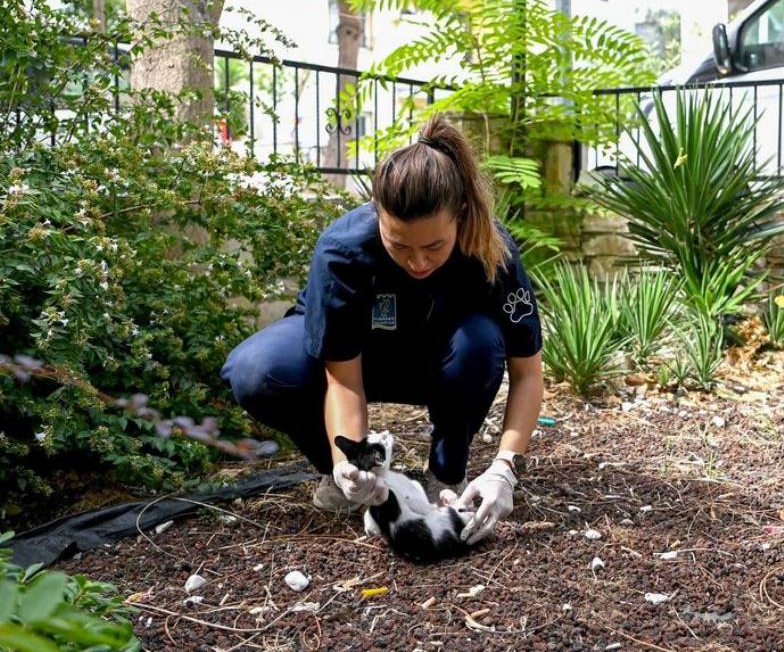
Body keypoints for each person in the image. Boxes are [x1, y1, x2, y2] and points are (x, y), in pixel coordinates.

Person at [221, 115, 544, 544]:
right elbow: (343, 380)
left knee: (481, 342)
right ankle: (348, 478)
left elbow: (528, 373)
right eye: (399, 245)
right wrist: (345, 461)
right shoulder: (343, 251)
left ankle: (445, 473)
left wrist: (505, 467)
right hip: (356, 357)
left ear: (461, 217)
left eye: (433, 246)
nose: (418, 263)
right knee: (256, 369)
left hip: (441, 359)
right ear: (377, 215)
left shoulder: (491, 250)